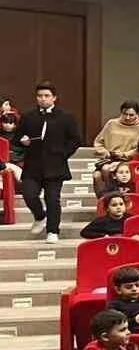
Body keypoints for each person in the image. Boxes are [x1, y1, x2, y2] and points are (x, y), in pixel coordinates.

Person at [6, 82, 83, 242]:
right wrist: (23, 141)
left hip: (55, 165)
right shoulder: (28, 116)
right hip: (33, 164)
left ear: (54, 98)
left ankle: (53, 230)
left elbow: (75, 140)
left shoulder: (66, 117)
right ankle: (40, 216)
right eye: (40, 96)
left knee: (53, 198)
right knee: (28, 194)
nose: (43, 99)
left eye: (46, 96)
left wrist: (63, 154)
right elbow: (17, 138)